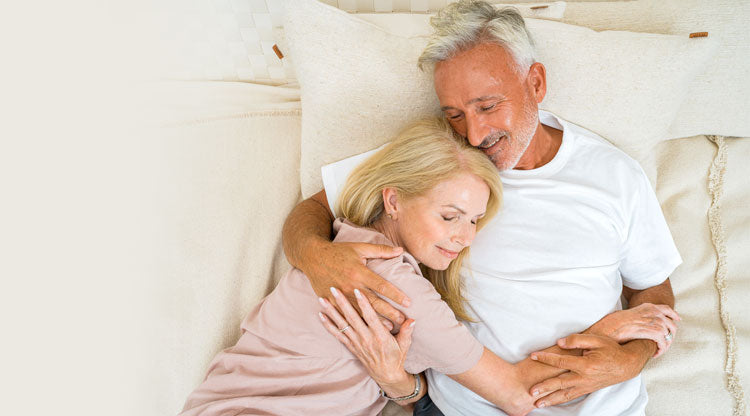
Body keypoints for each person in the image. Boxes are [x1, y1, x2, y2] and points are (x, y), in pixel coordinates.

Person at [281, 1, 683, 415]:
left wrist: (630, 359)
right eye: (455, 114)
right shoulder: (441, 160)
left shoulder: (614, 173)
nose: (474, 135)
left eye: (488, 106)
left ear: (536, 83)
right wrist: (317, 258)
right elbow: (310, 210)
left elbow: (652, 287)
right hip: (466, 406)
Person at [182, 118, 670, 416]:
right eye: (449, 216)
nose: (464, 237)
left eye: (475, 220)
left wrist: (401, 384)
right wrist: (607, 330)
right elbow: (519, 397)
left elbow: (410, 387)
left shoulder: (357, 244)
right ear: (392, 199)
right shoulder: (390, 281)